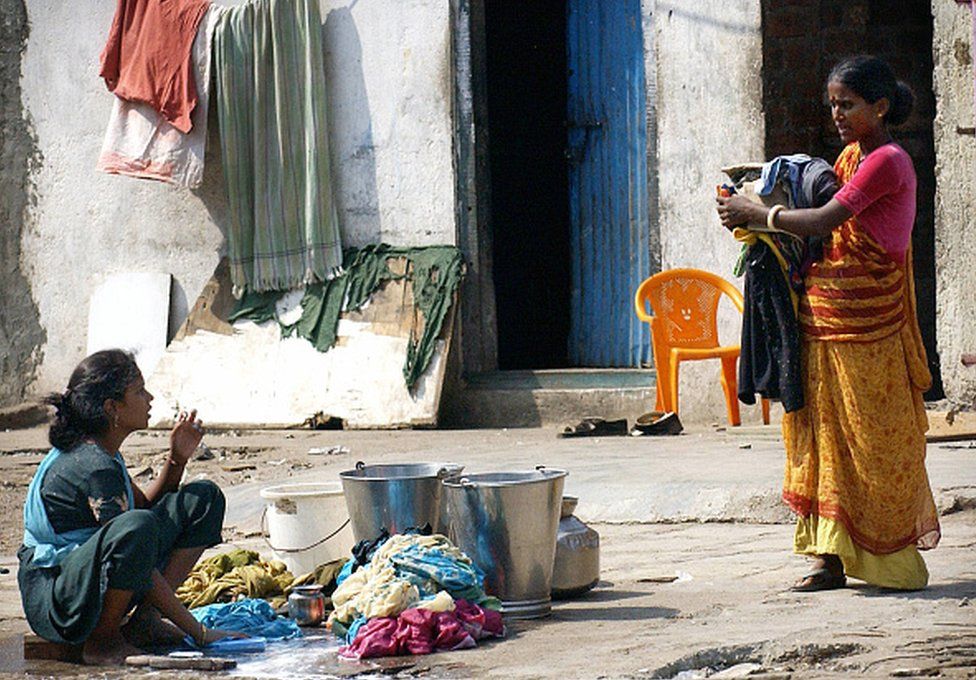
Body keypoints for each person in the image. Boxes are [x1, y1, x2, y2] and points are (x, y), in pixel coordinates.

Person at [716, 55, 940, 591]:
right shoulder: (846, 157)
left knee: (873, 443)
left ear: (879, 107)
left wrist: (758, 214)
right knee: (821, 441)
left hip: (871, 328)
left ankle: (889, 560)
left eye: (848, 104)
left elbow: (828, 219)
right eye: (833, 105)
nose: (837, 114)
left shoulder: (887, 161)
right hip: (825, 318)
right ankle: (827, 558)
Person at [18, 349, 243, 664]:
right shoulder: (93, 464)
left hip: (87, 577)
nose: (149, 398)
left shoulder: (104, 452)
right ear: (112, 408)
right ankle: (102, 642)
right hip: (57, 600)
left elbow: (145, 506)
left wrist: (176, 458)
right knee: (137, 528)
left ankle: (145, 622)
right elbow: (133, 539)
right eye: (139, 391)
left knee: (202, 500)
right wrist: (199, 631)